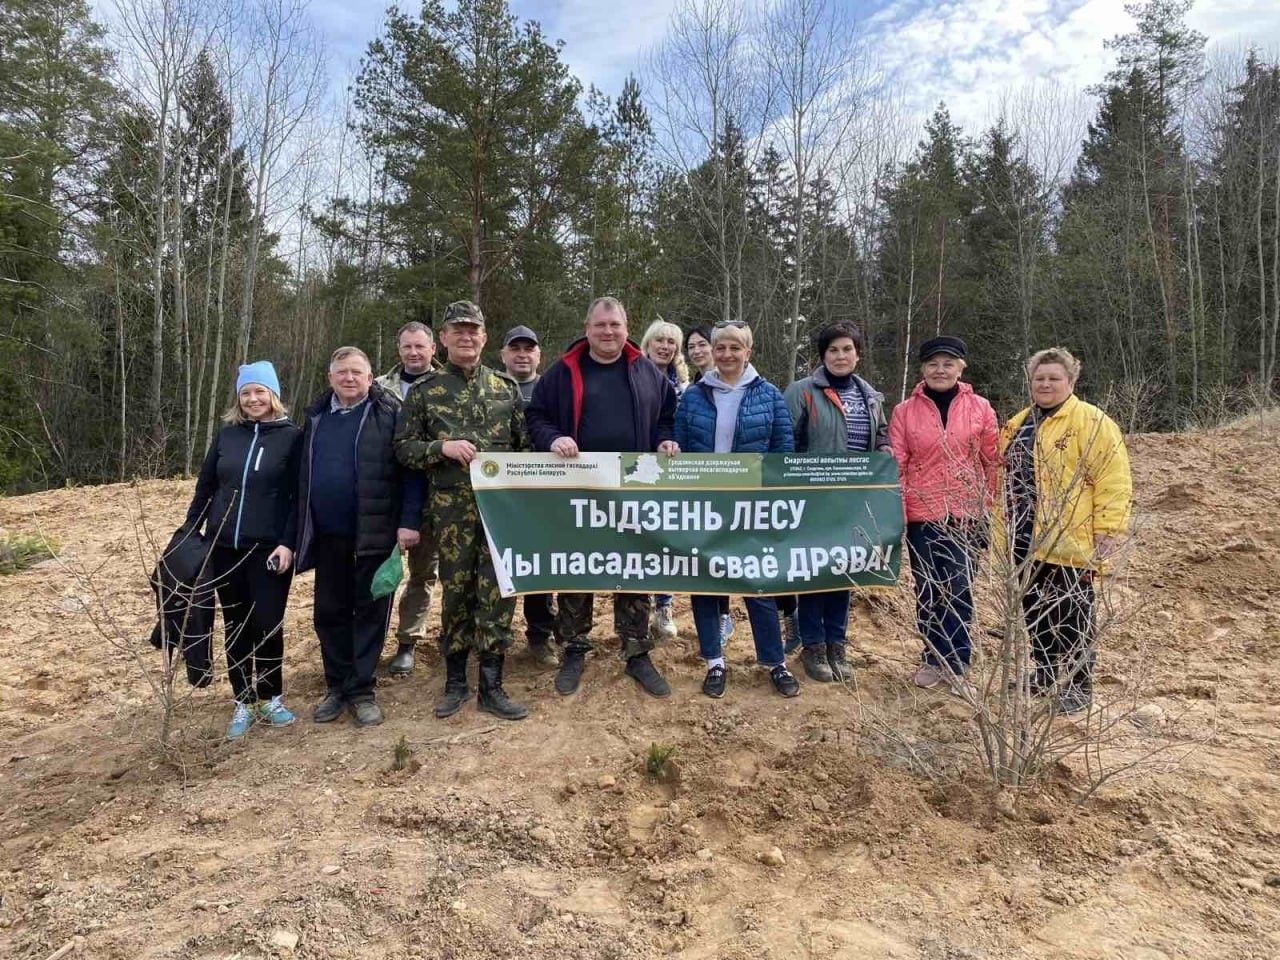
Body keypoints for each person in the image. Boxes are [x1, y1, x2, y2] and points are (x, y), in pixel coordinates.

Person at [526, 296, 679, 698]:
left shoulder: (646, 371)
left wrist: (664, 440)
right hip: (579, 487)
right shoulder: (562, 372)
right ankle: (574, 648)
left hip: (633, 488)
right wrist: (554, 437)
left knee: (633, 568)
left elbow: (666, 414)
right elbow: (536, 417)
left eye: (615, 325)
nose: (608, 332)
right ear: (587, 327)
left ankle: (635, 651)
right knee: (579, 567)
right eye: (600, 326)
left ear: (627, 327)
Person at [396, 302, 531, 721]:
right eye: (458, 330)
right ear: (444, 338)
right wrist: (441, 448)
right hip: (450, 515)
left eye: (473, 330)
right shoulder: (424, 392)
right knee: (455, 595)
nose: (467, 336)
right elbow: (402, 449)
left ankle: (492, 684)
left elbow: (525, 449)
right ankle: (456, 682)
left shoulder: (505, 388)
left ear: (485, 337)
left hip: (499, 514)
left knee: (497, 594)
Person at [999, 347, 1132, 715]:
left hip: (1070, 538)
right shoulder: (1018, 423)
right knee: (1034, 611)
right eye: (1039, 378)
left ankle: (1077, 685)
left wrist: (1109, 529)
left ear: (1071, 381)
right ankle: (1043, 675)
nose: (1045, 384)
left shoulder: (1092, 422)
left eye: (1054, 378)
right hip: (1023, 536)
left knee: (1073, 614)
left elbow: (1114, 478)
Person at [295, 346, 422, 727]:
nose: (349, 378)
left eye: (357, 372)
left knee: (370, 611)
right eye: (342, 372)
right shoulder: (316, 418)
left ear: (370, 378)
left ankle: (362, 690)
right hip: (329, 535)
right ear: (330, 378)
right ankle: (336, 686)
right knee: (329, 613)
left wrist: (409, 521)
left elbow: (411, 474)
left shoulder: (389, 414)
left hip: (376, 533)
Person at [674, 322, 801, 699]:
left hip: (751, 507)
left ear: (748, 351)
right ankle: (714, 661)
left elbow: (783, 453)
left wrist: (771, 499)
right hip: (705, 505)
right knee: (706, 585)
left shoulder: (770, 395)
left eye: (735, 348)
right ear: (711, 352)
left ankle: (774, 662)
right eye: (720, 348)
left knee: (758, 583)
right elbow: (679, 446)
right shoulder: (694, 396)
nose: (727, 355)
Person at [185, 361, 302, 739]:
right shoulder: (227, 436)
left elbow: (298, 498)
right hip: (225, 549)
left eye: (260, 392)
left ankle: (271, 696)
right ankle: (244, 699)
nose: (253, 399)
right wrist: (190, 531)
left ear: (274, 395)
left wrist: (288, 542)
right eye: (246, 392)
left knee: (267, 624)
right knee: (235, 626)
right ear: (239, 397)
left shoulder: (291, 437)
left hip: (269, 549)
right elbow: (205, 487)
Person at [889, 336, 999, 694]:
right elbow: (898, 465)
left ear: (961, 368)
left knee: (959, 588)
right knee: (928, 590)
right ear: (922, 368)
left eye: (948, 363)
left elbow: (991, 461)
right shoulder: (905, 411)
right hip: (923, 513)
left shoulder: (981, 408)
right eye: (933, 363)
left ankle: (958, 661)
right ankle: (933, 656)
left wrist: (989, 507)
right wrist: (901, 512)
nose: (940, 370)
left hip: (966, 513)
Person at [784, 320, 891, 683]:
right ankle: (812, 645)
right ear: (822, 355)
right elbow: (786, 442)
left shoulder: (871, 396)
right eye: (833, 350)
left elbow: (881, 437)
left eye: (847, 349)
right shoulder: (802, 391)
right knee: (815, 570)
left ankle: (837, 643)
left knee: (845, 570)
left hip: (855, 501)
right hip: (814, 499)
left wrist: (885, 451)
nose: (840, 356)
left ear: (858, 355)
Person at [375, 321, 440, 677]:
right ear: (398, 350)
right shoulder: (379, 389)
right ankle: (371, 642)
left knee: (423, 574)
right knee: (382, 573)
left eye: (420, 346)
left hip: (437, 495)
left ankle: (408, 641)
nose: (413, 353)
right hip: (387, 496)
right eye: (406, 347)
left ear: (433, 348)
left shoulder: (447, 386)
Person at [499, 324, 559, 669]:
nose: (522, 354)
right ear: (504, 354)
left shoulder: (550, 388)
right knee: (498, 566)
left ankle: (540, 635)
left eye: (529, 349)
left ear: (539, 354)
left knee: (541, 568)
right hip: (500, 493)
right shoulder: (491, 387)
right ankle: (496, 635)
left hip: (545, 492)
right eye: (515, 348)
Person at [640, 319, 690, 643]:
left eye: (671, 342)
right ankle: (638, 608)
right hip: (638, 467)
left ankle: (664, 607)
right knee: (640, 539)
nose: (665, 346)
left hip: (672, 468)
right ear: (647, 343)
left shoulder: (685, 385)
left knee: (667, 540)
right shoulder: (633, 374)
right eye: (659, 340)